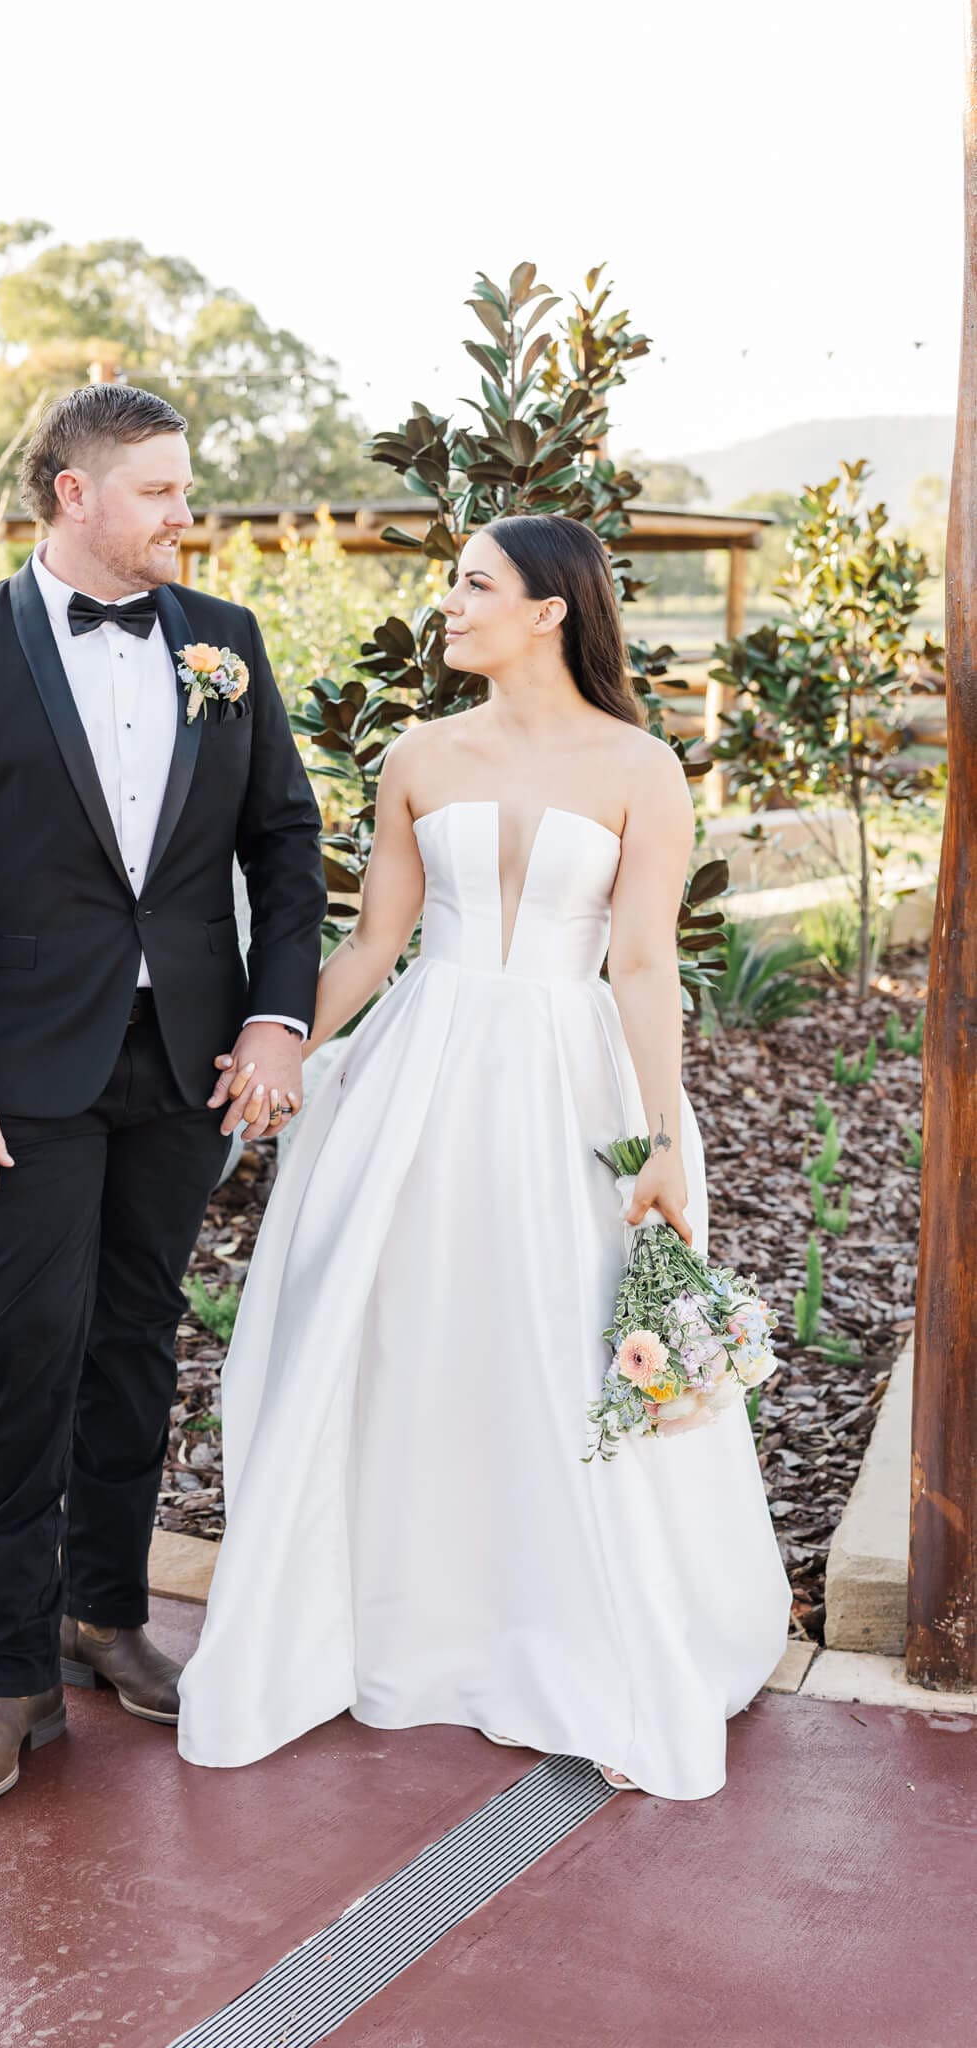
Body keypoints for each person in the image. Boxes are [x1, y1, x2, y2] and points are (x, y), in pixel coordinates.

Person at [178, 513, 791, 1800]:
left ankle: (570, 1633)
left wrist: (666, 1140)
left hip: (572, 1083)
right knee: (406, 1333)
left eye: (472, 583)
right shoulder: (417, 753)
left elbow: (641, 962)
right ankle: (404, 1621)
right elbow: (370, 943)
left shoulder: (641, 765)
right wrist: (272, 1044)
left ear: (550, 609)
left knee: (563, 1338)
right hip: (422, 1073)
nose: (446, 604)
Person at [0, 384, 326, 1805]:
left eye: (186, 490)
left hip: (184, 1064)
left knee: (133, 1345)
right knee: (22, 1358)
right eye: (162, 492)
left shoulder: (225, 645)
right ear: (74, 494)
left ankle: (102, 1614)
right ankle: (8, 1682)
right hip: (11, 1079)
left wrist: (275, 1016)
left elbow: (286, 845)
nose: (188, 515)